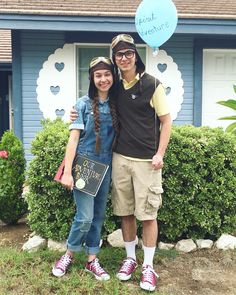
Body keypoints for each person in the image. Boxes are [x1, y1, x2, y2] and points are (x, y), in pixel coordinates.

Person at [70, 34, 172, 292]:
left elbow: (166, 121)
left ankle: (148, 266)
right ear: (115, 59)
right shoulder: (114, 87)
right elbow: (94, 98)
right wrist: (74, 110)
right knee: (125, 212)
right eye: (119, 54)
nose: (124, 58)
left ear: (135, 56)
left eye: (128, 53)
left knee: (148, 215)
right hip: (119, 159)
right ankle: (130, 259)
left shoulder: (153, 85)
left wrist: (160, 153)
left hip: (147, 161)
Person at [52, 56, 118, 281]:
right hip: (85, 164)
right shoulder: (82, 104)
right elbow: (73, 140)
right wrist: (68, 171)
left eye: (107, 74)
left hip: (107, 166)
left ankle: (92, 260)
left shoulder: (118, 103)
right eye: (98, 75)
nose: (103, 79)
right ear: (91, 78)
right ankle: (69, 254)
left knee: (98, 216)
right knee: (84, 217)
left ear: (113, 76)